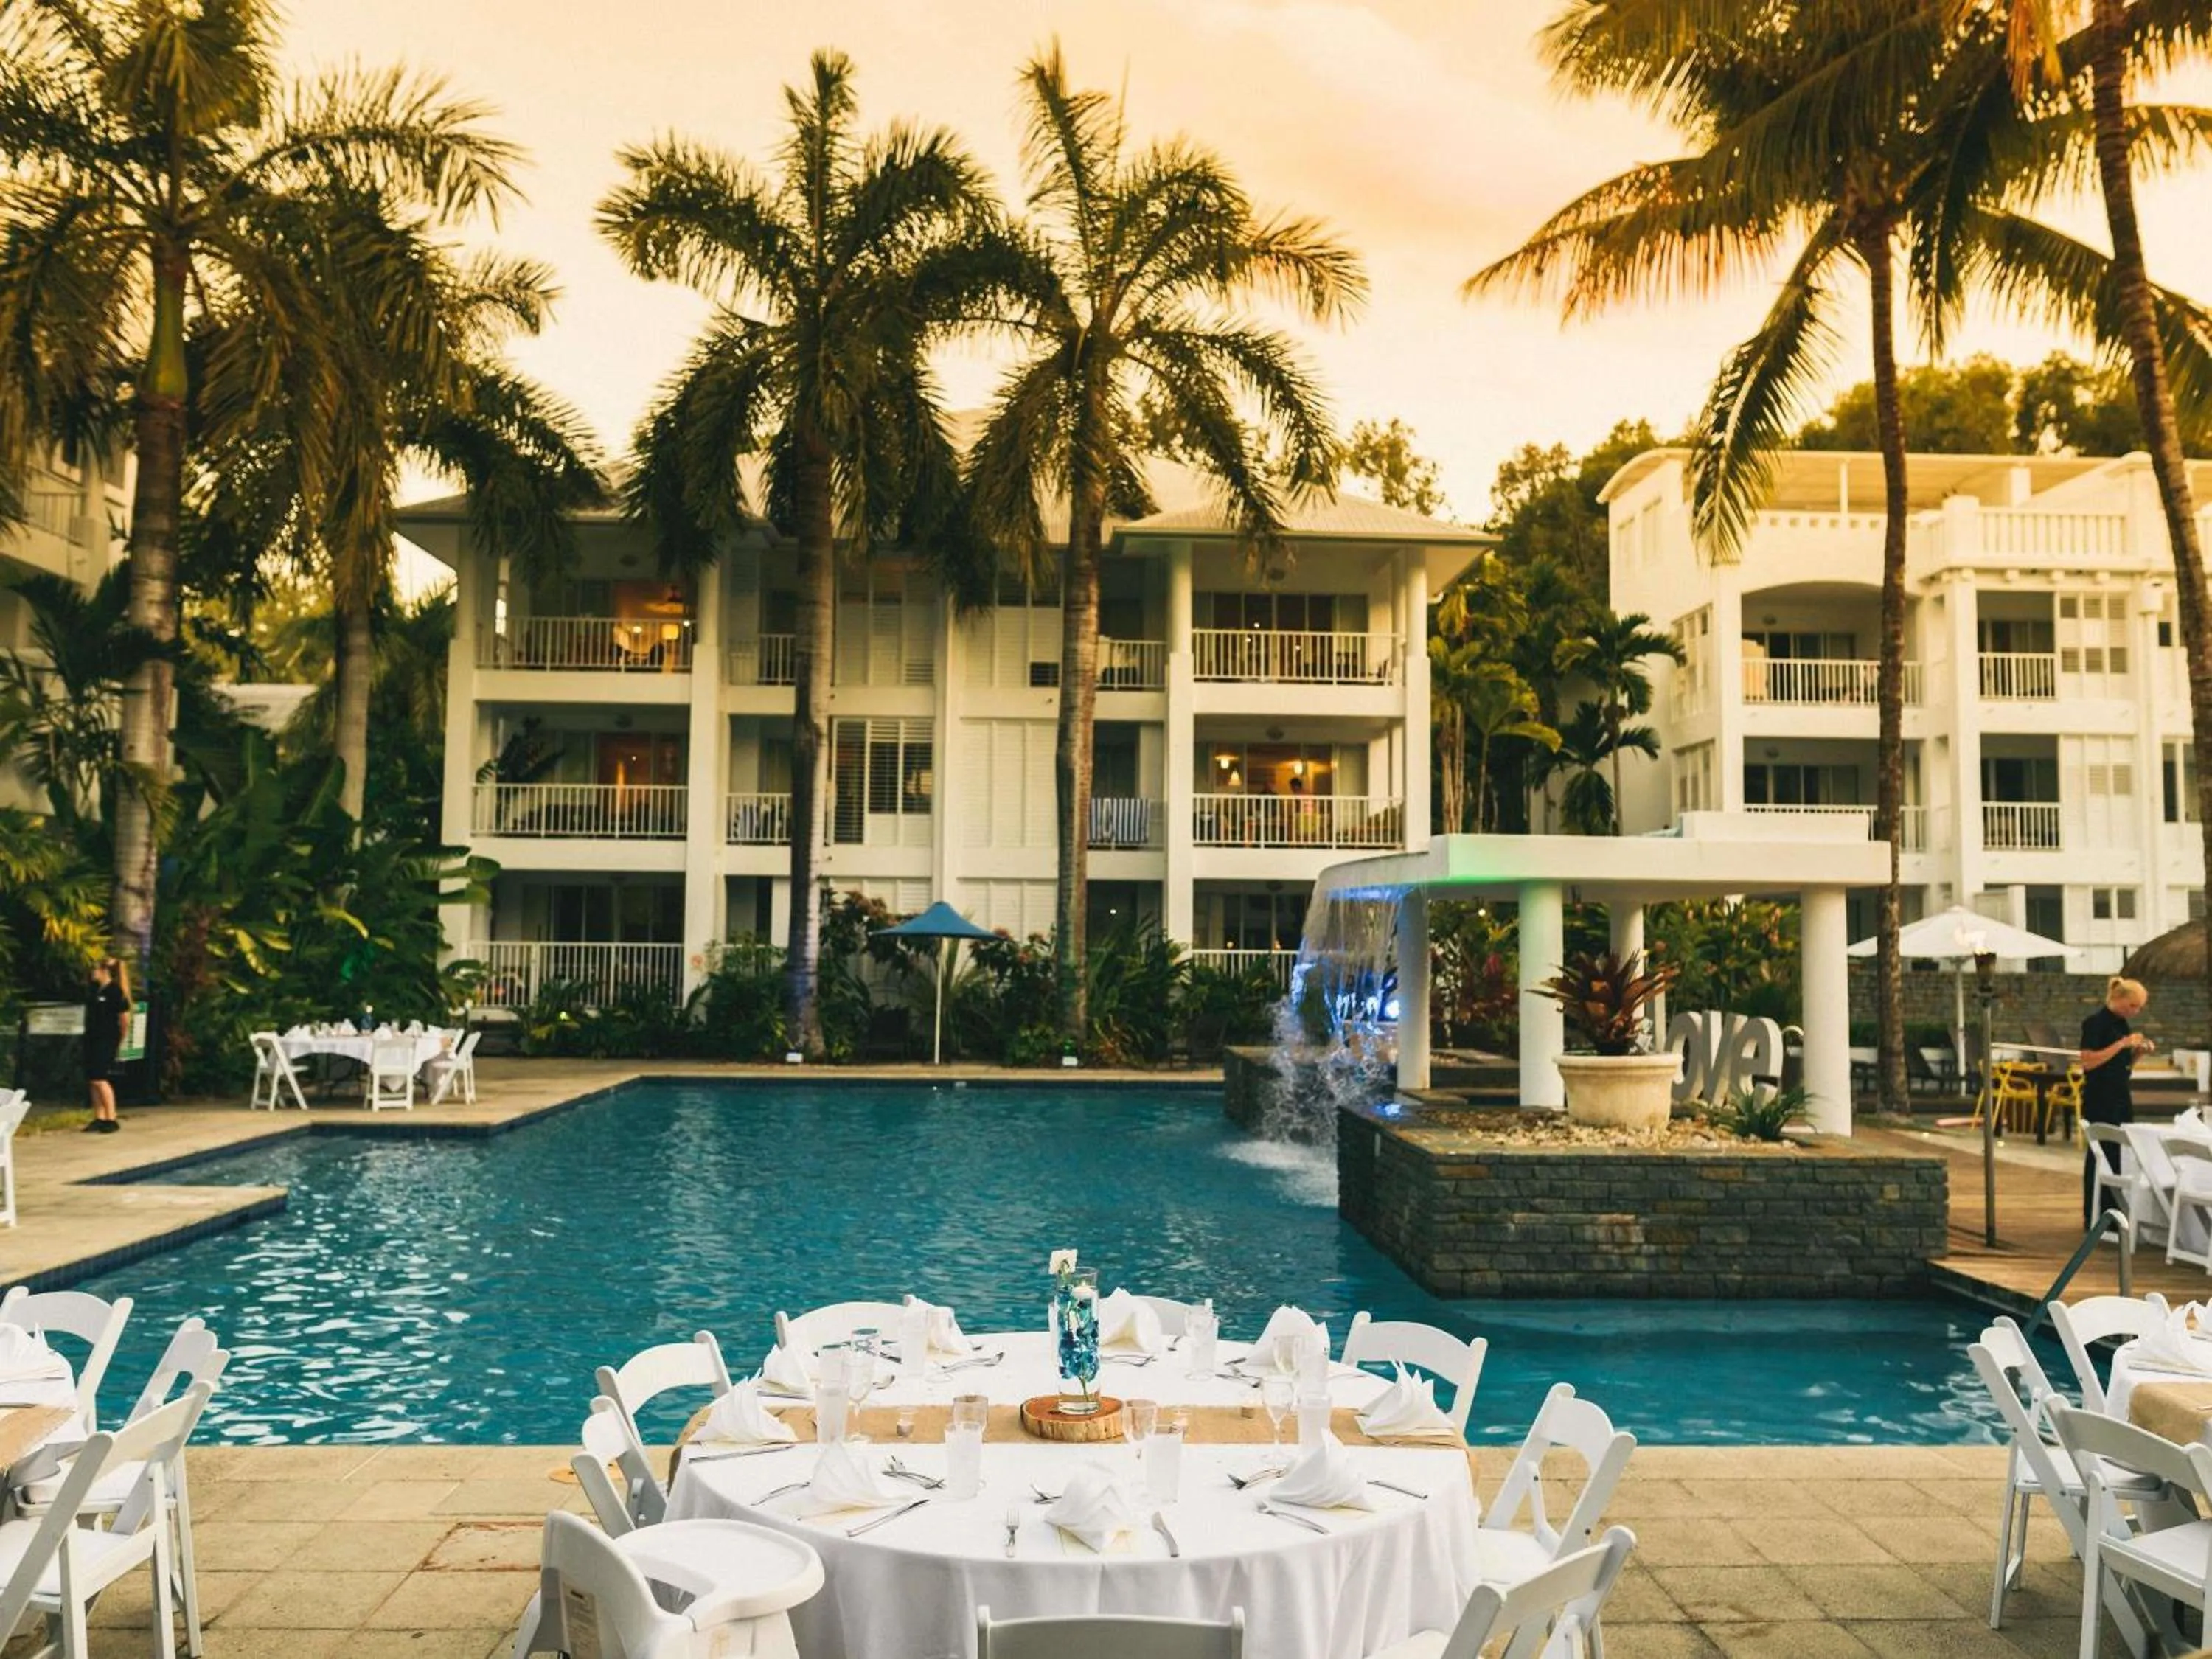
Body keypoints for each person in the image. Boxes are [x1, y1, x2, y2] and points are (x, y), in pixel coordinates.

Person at [2081, 975, 2152, 1224]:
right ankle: (2094, 1211)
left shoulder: (2123, 1025)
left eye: (2139, 1007)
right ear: (2119, 999)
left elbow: (2122, 1066)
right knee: (2100, 1152)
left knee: (2119, 1154)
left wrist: (2137, 1053)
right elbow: (2088, 1062)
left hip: (2120, 1094)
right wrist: (2121, 1044)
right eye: (2133, 1005)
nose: (2135, 1011)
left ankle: (2113, 1210)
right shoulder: (2095, 1023)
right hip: (2100, 1096)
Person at [83, 956, 130, 1134]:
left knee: (100, 1078)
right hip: (92, 1037)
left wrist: (120, 1039)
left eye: (95, 970)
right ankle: (99, 1116)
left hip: (107, 1038)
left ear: (105, 971)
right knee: (92, 1079)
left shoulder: (115, 992)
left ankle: (111, 1117)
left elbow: (124, 1019)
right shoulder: (95, 990)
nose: (93, 973)